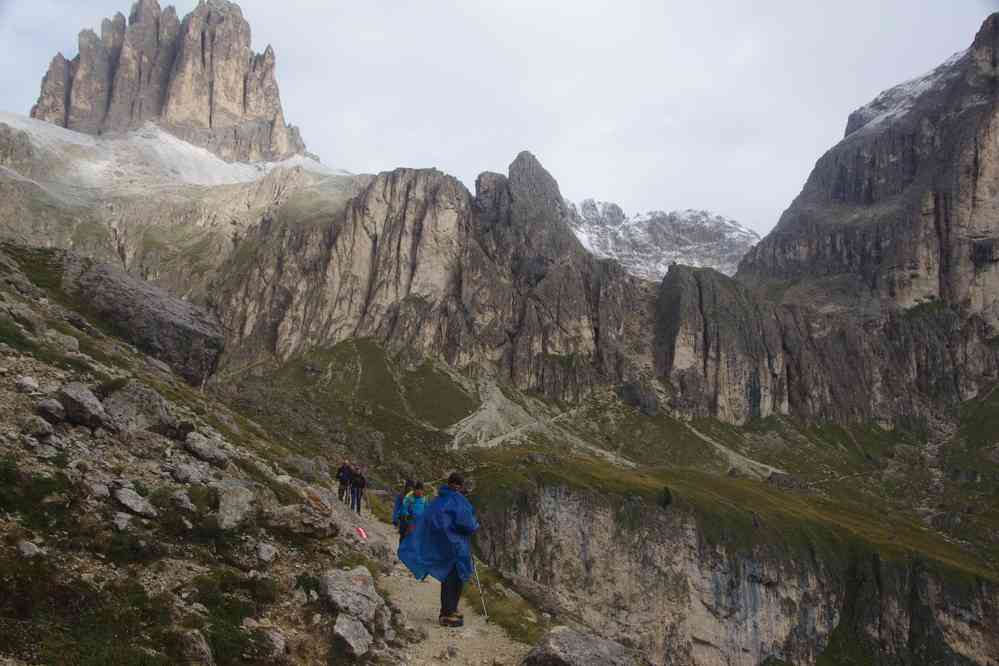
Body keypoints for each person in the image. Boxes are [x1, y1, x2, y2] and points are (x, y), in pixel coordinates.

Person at [398, 472, 479, 627]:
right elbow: (467, 523)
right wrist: (474, 525)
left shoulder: (438, 500)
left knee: (450, 576)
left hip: (444, 545)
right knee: (456, 577)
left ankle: (450, 609)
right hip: (457, 545)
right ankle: (447, 613)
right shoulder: (458, 500)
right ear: (459, 485)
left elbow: (430, 520)